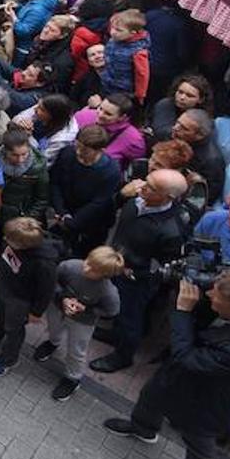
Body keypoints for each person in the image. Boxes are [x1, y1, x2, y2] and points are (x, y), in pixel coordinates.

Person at [103, 272, 230, 459]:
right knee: (150, 397)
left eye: (217, 294)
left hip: (208, 399)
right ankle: (142, 427)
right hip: (179, 377)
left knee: (199, 441)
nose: (210, 293)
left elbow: (187, 357)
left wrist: (182, 311)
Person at [89, 169, 191, 374]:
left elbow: (167, 266)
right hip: (116, 263)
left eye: (151, 187)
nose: (142, 186)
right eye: (147, 180)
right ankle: (114, 333)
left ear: (167, 197)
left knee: (131, 318)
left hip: (136, 278)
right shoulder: (136, 199)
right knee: (116, 305)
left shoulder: (172, 229)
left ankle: (123, 356)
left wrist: (136, 273)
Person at [32, 247, 124, 402]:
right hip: (57, 307)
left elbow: (111, 311)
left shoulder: (108, 292)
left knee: (76, 350)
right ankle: (53, 343)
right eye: (88, 262)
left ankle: (73, 378)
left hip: (83, 322)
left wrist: (87, 309)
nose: (86, 268)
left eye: (93, 269)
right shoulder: (70, 266)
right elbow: (52, 281)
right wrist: (62, 297)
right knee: (53, 328)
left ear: (104, 275)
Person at [0, 217, 59, 377]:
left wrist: (36, 312)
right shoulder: (14, 241)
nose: (5, 239)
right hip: (2, 288)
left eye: (9, 239)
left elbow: (45, 291)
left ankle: (8, 360)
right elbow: (6, 254)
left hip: (20, 301)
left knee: (14, 329)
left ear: (24, 245)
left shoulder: (44, 264)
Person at [49, 125, 122, 257]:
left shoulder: (110, 171)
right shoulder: (67, 153)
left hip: (92, 222)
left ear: (101, 150)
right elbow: (55, 183)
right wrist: (62, 212)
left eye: (85, 151)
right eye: (77, 146)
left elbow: (99, 203)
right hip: (64, 212)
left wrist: (72, 222)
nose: (78, 152)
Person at [172, 108, 227, 204]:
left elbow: (207, 195)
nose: (175, 128)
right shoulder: (176, 136)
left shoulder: (211, 161)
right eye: (177, 122)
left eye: (184, 128)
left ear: (199, 135)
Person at [148, 74, 213, 144]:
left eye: (189, 96)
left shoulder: (203, 116)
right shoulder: (165, 104)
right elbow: (161, 132)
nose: (182, 97)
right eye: (180, 92)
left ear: (201, 99)